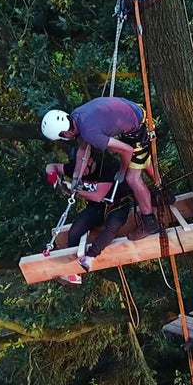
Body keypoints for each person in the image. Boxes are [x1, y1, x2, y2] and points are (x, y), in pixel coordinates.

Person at [41, 97, 158, 241]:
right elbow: (83, 151)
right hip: (133, 113)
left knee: (132, 178)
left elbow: (127, 151)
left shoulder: (91, 134)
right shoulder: (77, 116)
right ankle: (161, 192)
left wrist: (121, 171)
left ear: (65, 133)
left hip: (139, 127)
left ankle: (149, 222)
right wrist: (76, 179)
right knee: (142, 161)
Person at [45, 152, 134, 285]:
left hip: (117, 204)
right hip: (95, 208)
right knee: (76, 229)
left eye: (83, 166)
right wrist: (53, 176)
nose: (81, 171)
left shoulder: (105, 170)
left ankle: (91, 256)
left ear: (91, 161)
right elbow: (51, 166)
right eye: (77, 167)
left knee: (113, 226)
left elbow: (98, 196)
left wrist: (74, 191)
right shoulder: (76, 169)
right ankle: (74, 272)